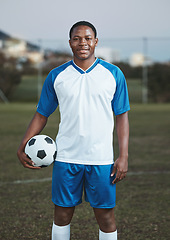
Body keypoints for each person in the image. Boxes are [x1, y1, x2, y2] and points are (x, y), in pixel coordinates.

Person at [17, 21, 130, 240]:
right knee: (62, 215)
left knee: (106, 217)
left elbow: (122, 116)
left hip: (101, 159)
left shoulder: (113, 74)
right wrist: (23, 145)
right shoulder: (57, 76)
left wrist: (123, 155)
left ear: (95, 42)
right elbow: (41, 114)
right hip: (66, 157)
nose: (83, 43)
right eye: (77, 38)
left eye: (88, 38)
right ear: (70, 43)